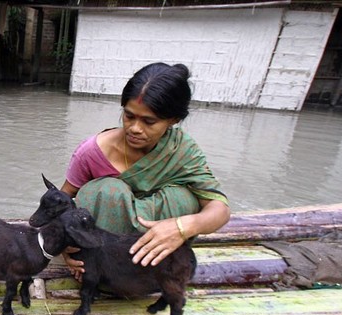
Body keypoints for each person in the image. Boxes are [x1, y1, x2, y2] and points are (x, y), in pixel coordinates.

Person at [61, 62, 230, 277]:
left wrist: (180, 228)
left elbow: (220, 210)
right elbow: (60, 202)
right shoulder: (91, 152)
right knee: (104, 191)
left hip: (157, 267)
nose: (135, 129)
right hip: (99, 265)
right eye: (129, 116)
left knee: (184, 197)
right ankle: (110, 275)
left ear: (173, 120)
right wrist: (64, 245)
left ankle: (152, 273)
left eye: (149, 122)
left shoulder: (182, 151)